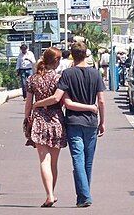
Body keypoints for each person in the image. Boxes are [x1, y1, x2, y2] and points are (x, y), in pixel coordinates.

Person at [33, 41, 105, 208]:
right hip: (92, 122)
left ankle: (84, 196)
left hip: (73, 122)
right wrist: (102, 121)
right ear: (86, 53)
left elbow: (64, 101)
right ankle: (84, 195)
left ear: (72, 55)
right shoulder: (95, 74)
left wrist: (37, 104)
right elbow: (101, 100)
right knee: (88, 161)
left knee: (78, 159)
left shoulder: (67, 74)